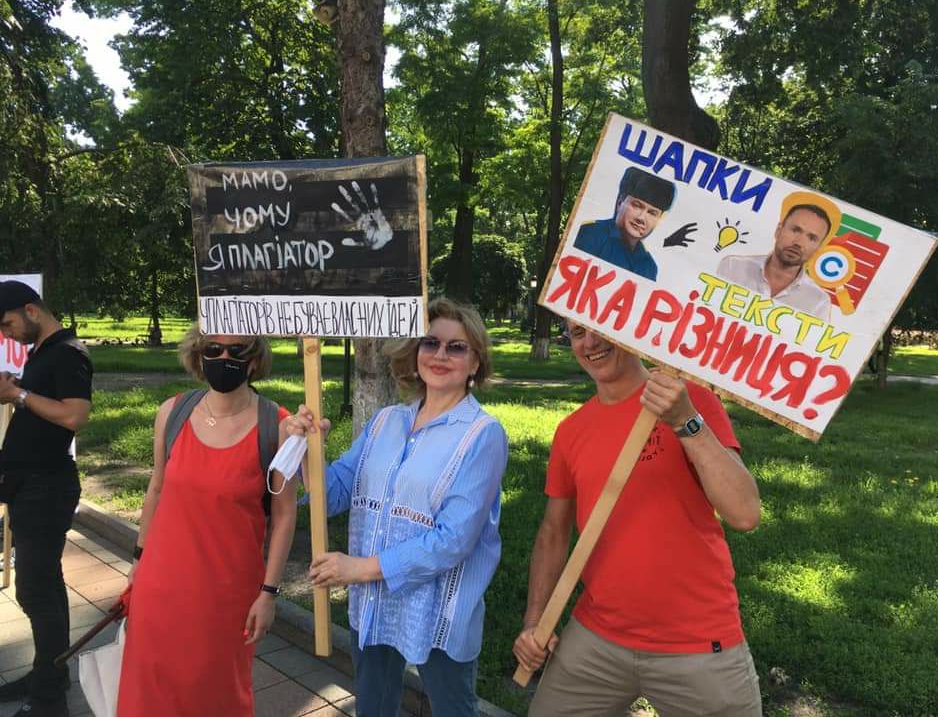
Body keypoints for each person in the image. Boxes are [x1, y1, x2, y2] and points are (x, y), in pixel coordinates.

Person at [513, 321, 763, 717]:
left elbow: (745, 513)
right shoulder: (571, 430)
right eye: (577, 333)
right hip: (597, 637)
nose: (590, 342)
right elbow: (553, 532)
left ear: (630, 330)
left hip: (697, 643)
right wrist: (534, 620)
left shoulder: (691, 400)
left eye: (599, 329)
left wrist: (686, 421)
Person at [288, 297, 508, 717]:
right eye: (430, 343)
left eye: (456, 347)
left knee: (453, 710)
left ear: (476, 362)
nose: (440, 355)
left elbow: (453, 541)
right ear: (415, 350)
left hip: (438, 608)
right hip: (375, 602)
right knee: (373, 708)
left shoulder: (483, 434)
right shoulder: (386, 421)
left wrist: (359, 568)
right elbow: (334, 492)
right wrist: (305, 448)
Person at [116, 326, 297, 717]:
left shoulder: (279, 427)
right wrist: (137, 560)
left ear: (254, 358)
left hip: (226, 597)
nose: (223, 358)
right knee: (149, 694)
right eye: (212, 349)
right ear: (198, 355)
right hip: (159, 586)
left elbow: (285, 516)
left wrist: (269, 593)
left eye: (237, 350)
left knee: (216, 695)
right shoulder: (172, 412)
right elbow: (156, 489)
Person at [0, 281, 93, 717]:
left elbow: (75, 415)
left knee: (37, 591)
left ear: (31, 310)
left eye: (8, 324)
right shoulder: (43, 351)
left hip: (46, 489)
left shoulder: (68, 353)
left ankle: (50, 699)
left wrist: (17, 394)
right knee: (45, 587)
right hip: (31, 487)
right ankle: (47, 673)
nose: (7, 334)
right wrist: (20, 388)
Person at [717, 191, 837, 320]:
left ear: (818, 248)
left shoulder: (818, 302)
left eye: (811, 238)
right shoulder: (732, 266)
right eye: (795, 230)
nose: (798, 243)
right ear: (778, 230)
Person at [573, 167, 677, 279]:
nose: (641, 218)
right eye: (637, 206)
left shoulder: (649, 267)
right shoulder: (591, 233)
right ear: (620, 202)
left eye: (652, 213)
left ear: (659, 219)